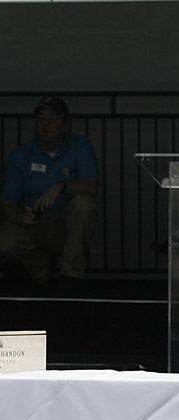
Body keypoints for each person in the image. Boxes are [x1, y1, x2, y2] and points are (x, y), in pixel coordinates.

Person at [1, 96, 100, 285]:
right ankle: (41, 267)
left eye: (53, 118)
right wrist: (22, 217)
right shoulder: (20, 155)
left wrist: (61, 187)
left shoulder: (80, 145)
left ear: (66, 124)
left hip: (64, 225)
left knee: (85, 204)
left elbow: (92, 186)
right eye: (40, 118)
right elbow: (7, 203)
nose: (45, 124)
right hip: (33, 225)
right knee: (5, 240)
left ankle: (71, 274)